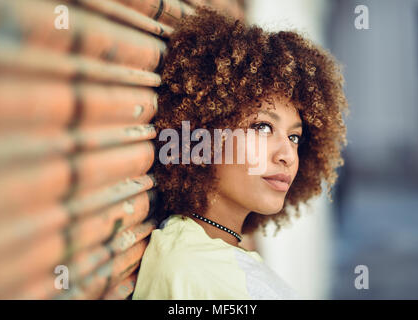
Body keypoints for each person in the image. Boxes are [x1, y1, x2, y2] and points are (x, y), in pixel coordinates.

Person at [132, 5, 348, 300]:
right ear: (203, 132)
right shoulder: (195, 272)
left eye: (295, 136)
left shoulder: (211, 249)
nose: (288, 155)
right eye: (261, 128)